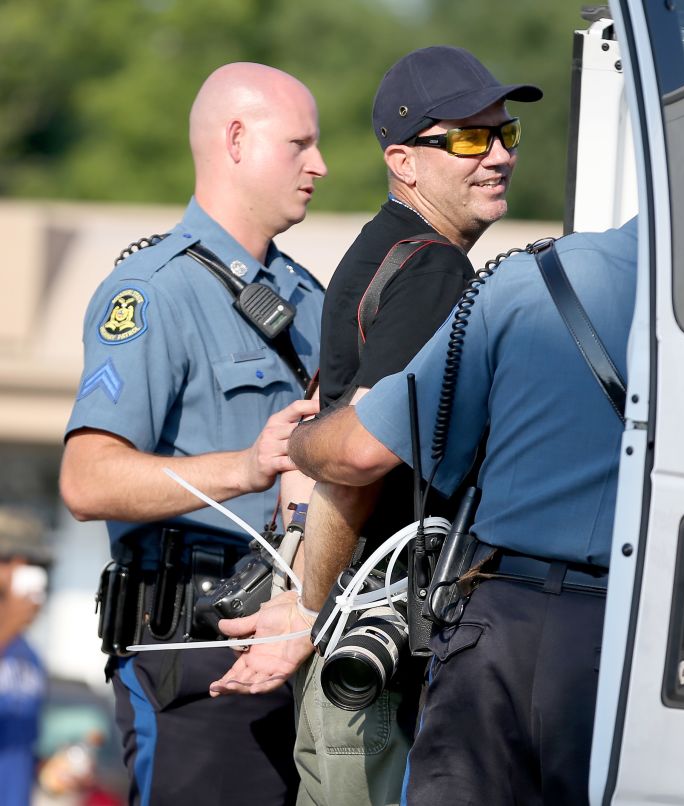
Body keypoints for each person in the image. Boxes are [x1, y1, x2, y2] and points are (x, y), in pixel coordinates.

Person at [209, 46, 542, 806]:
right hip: (377, 635)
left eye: (506, 134)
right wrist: (309, 606)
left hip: (360, 621)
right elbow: (360, 457)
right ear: (404, 160)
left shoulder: (384, 249)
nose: (496, 156)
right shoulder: (432, 273)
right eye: (466, 139)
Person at [288, 217, 638, 804]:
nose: (499, 156)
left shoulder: (532, 277)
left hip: (499, 629)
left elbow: (357, 453)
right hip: (634, 635)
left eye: (507, 136)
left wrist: (301, 440)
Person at [58, 62, 326, 805]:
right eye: (300, 144)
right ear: (236, 141)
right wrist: (246, 466)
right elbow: (87, 480)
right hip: (194, 660)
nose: (321, 165)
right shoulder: (152, 291)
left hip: (296, 647)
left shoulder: (311, 300)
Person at [0, 509, 51, 806]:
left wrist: (52, 775)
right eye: (7, 559)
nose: (20, 568)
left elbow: (21, 750)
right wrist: (7, 627)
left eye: (30, 562)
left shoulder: (28, 655)